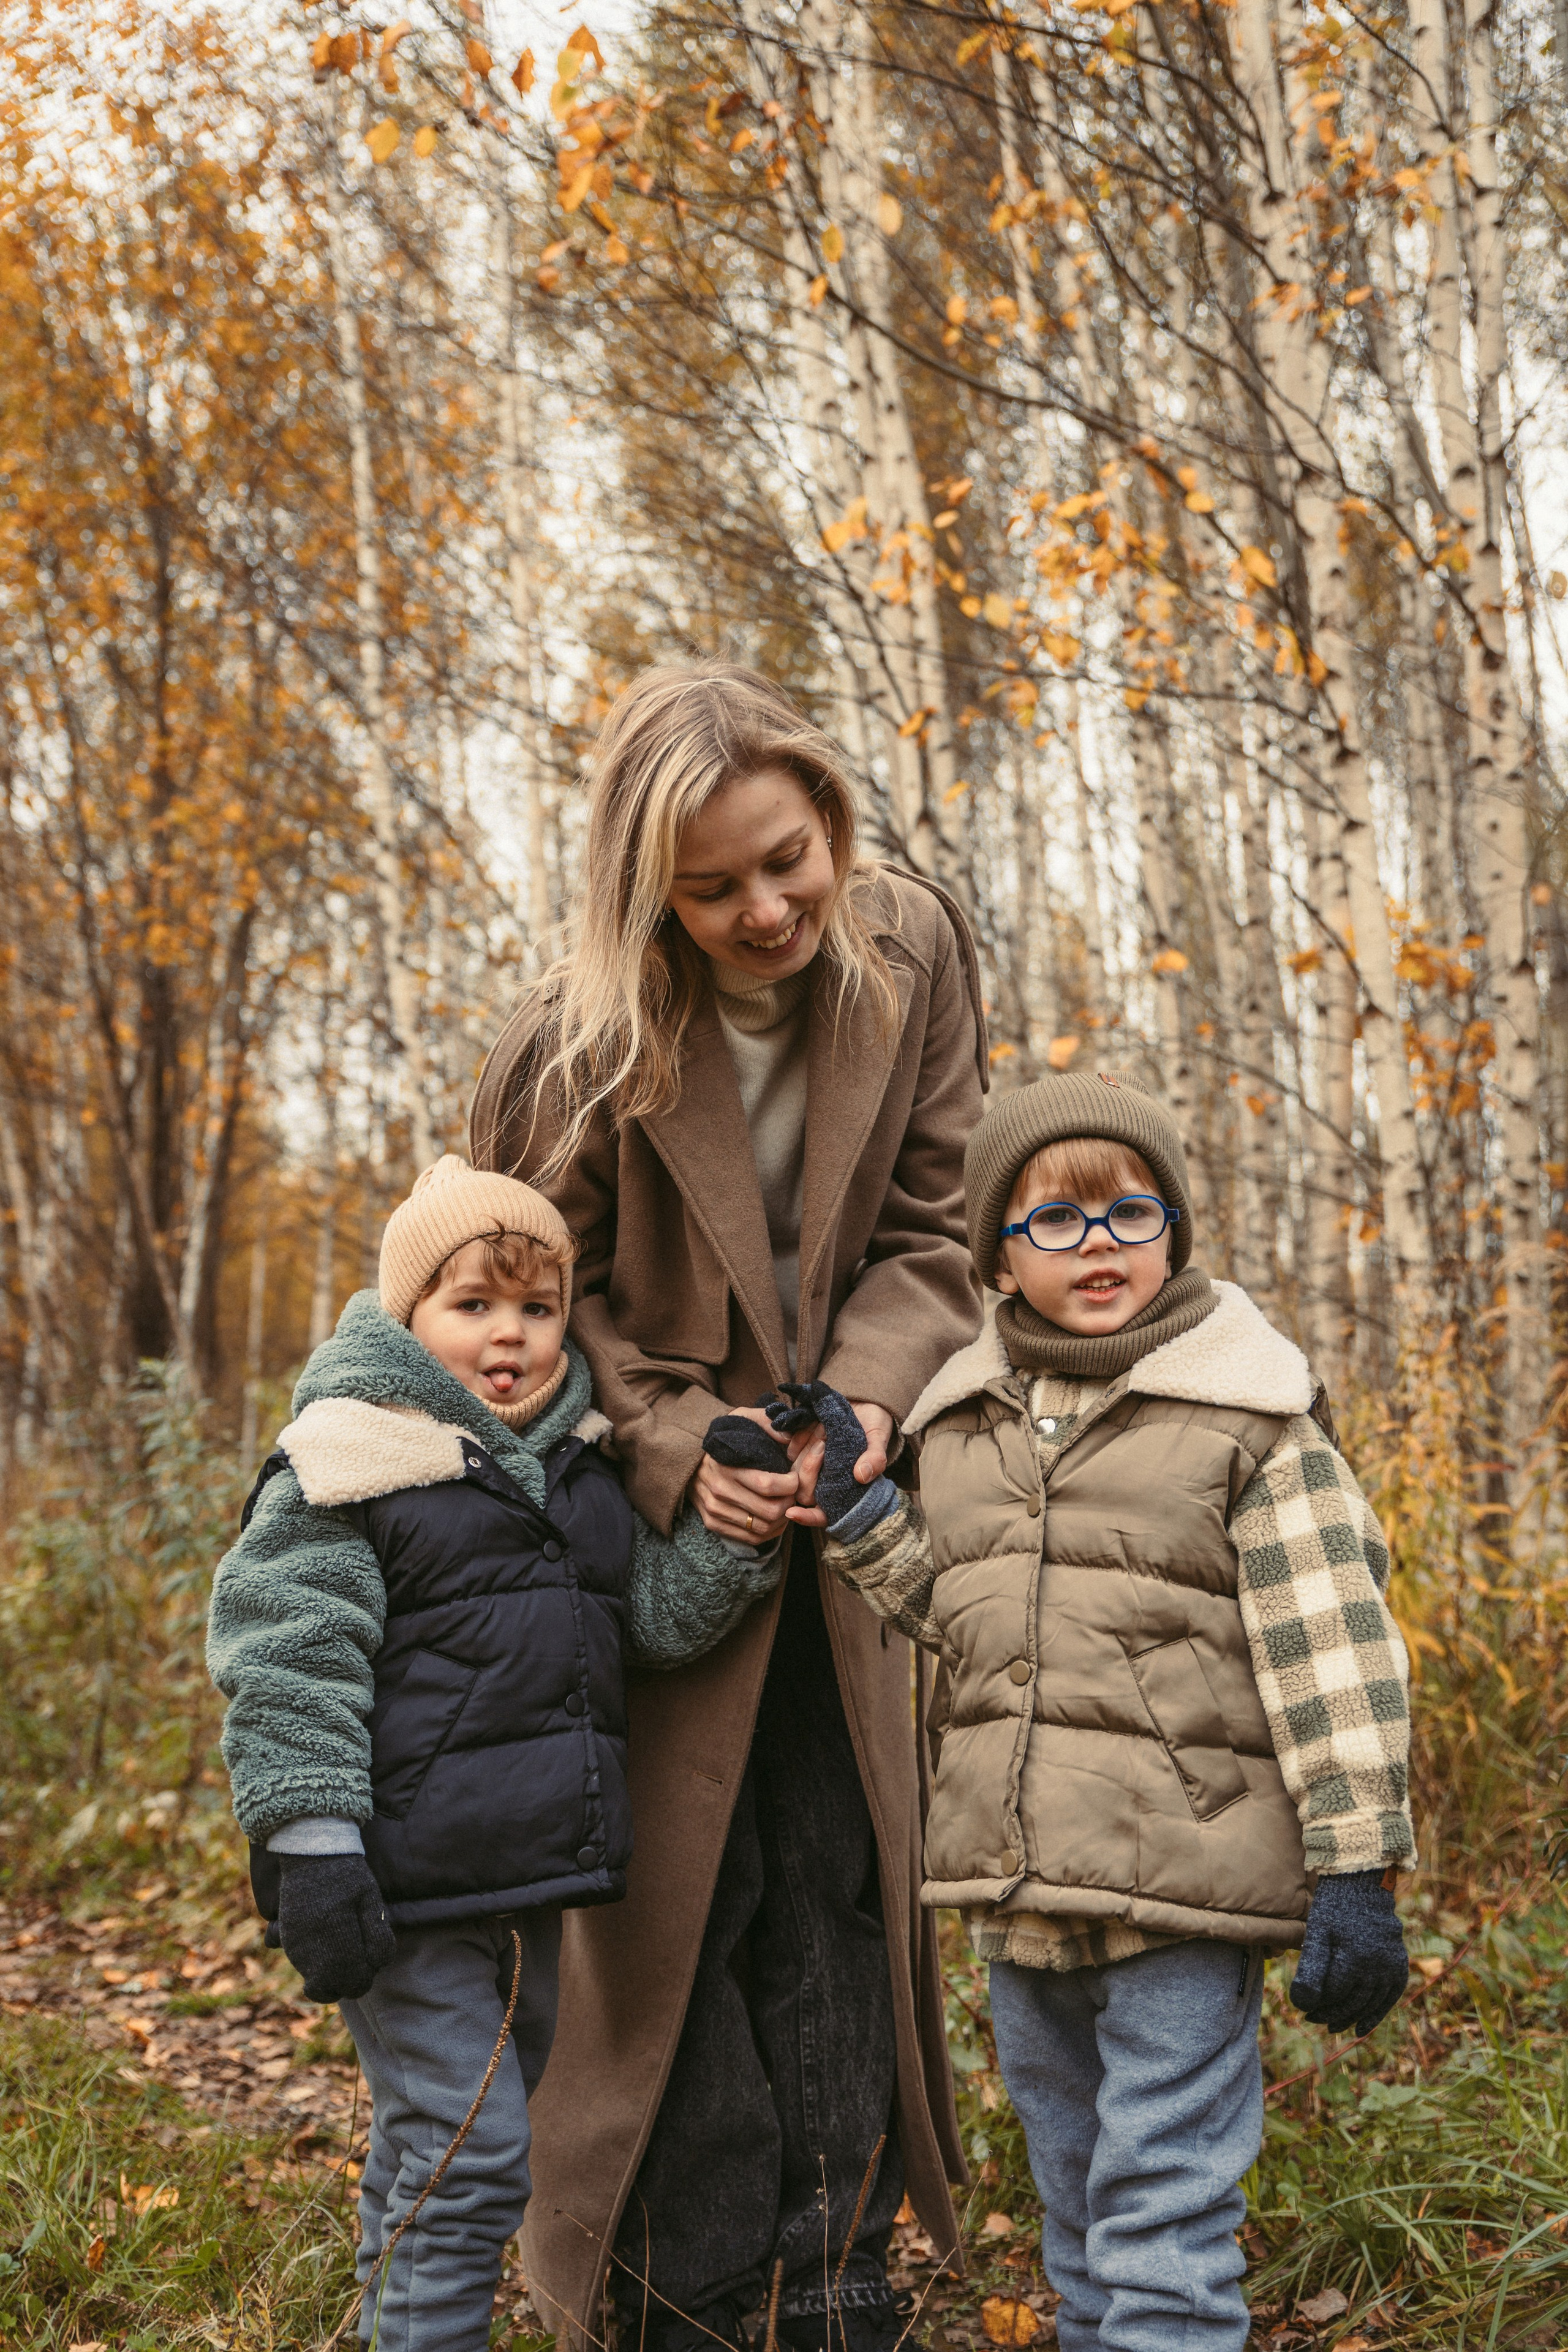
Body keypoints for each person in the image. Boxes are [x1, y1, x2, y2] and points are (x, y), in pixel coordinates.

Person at [468, 662, 987, 2352]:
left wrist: (874, 1404)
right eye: (713, 889)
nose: (766, 910)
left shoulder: (915, 953)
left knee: (841, 1878)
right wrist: (680, 1443)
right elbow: (526, 1296)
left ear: (830, 818)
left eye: (787, 860)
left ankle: (836, 2280)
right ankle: (679, 2289)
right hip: (657, 1532)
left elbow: (938, 1222)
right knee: (685, 1902)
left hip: (844, 1503)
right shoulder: (569, 1040)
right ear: (646, 898)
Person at [801, 1068, 1414, 2352]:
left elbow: (1332, 1645)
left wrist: (1354, 1863)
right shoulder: (962, 1422)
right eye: (1056, 1220)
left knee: (1161, 2201)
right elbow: (961, 1618)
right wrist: (862, 1519)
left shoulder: (1249, 1416)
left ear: (1173, 1232)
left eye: (1131, 1213)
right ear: (996, 1257)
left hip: (1184, 1884)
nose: (1098, 1245)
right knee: (1075, 2196)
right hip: (1023, 1882)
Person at [206, 1155, 782, 2352]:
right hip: (398, 1885)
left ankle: (399, 2325)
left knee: (442, 2147)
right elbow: (288, 1651)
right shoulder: (351, 1455)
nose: (509, 1334)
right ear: (408, 1317)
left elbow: (643, 1625)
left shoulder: (574, 1468)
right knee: (470, 2156)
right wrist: (312, 1844)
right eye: (472, 1305)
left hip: (527, 1886)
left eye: (537, 1306)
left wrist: (730, 1540)